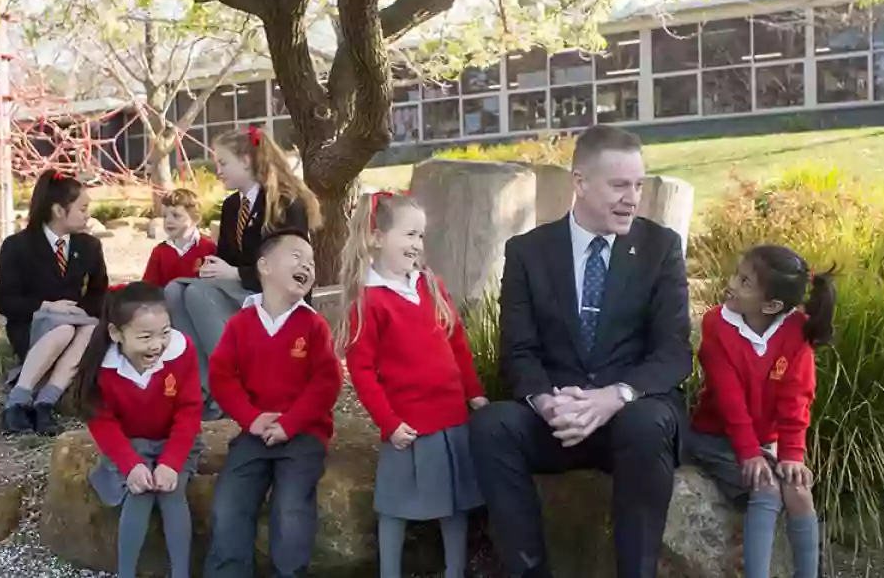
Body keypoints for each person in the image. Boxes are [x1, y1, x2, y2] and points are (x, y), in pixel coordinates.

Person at [468, 125, 693, 578]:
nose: (632, 198)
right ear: (580, 182)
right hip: (559, 420)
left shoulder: (660, 247)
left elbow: (673, 354)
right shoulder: (528, 251)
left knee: (649, 423)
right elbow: (518, 351)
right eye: (619, 185)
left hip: (629, 418)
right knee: (491, 426)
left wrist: (614, 397)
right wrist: (548, 403)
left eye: (638, 185)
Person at [337, 192, 489, 578]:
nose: (417, 245)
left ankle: (455, 572)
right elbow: (364, 371)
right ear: (375, 238)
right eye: (409, 235)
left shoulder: (430, 285)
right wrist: (388, 422)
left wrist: (474, 393)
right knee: (394, 506)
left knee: (454, 504)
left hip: (452, 417)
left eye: (421, 236)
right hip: (409, 426)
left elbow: (457, 343)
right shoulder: (368, 302)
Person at [689, 245, 835, 578]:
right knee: (766, 486)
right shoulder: (717, 325)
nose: (731, 284)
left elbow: (796, 398)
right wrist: (749, 454)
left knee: (798, 490)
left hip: (762, 443)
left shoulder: (796, 331)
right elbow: (729, 400)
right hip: (715, 438)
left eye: (744, 282)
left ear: (771, 305)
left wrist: (792, 454)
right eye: (737, 275)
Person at [204, 229, 342, 578]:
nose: (307, 266)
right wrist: (251, 420)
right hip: (255, 431)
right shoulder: (240, 324)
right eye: (296, 256)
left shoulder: (313, 325)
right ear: (264, 266)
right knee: (229, 504)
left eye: (311, 263)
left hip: (303, 435)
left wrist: (290, 424)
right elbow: (222, 377)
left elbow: (327, 382)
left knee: (291, 509)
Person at [164, 125, 322, 422]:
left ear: (247, 162)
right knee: (174, 290)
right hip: (241, 288)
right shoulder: (232, 206)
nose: (217, 170)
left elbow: (293, 269)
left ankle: (237, 386)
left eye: (223, 163)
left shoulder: (285, 202)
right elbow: (226, 258)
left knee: (197, 294)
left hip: (276, 294)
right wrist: (215, 268)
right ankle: (206, 390)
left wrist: (235, 273)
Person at [75, 282, 203, 578]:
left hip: (176, 441)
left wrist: (171, 464)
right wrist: (131, 466)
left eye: (164, 333)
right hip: (132, 444)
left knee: (173, 492)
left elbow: (189, 410)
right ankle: (126, 573)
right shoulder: (104, 368)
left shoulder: (181, 352)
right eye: (145, 337)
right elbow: (102, 423)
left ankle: (181, 573)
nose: (157, 345)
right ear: (116, 334)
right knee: (140, 493)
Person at [0, 169, 107, 436]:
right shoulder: (17, 246)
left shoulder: (89, 246)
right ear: (58, 210)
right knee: (65, 329)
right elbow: (3, 299)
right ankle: (16, 403)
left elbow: (99, 293)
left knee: (89, 329)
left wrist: (79, 312)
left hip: (76, 324)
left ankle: (45, 403)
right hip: (31, 324)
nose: (87, 214)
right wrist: (45, 307)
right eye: (82, 208)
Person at [142, 188, 218, 288]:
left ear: (195, 218)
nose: (168, 220)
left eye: (176, 215)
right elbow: (148, 287)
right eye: (165, 216)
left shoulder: (209, 248)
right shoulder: (159, 251)